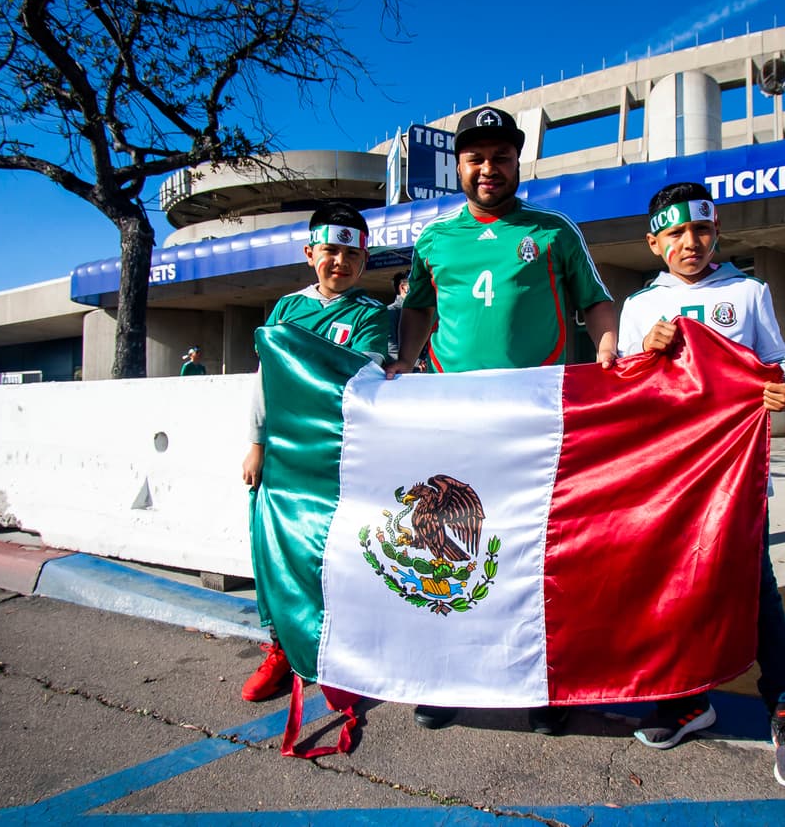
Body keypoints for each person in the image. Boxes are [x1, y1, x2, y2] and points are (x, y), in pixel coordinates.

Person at [385, 105, 619, 735]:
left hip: (536, 418)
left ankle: (538, 682)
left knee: (533, 552)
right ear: (459, 166)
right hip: (454, 417)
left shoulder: (553, 231)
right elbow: (417, 310)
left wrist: (604, 349)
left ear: (518, 162)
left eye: (501, 157)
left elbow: (595, 303)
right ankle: (446, 676)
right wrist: (404, 361)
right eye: (476, 158)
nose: (489, 168)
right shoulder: (434, 241)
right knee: (452, 546)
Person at [617, 181, 785, 791]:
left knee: (756, 590)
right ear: (654, 242)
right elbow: (626, 391)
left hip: (735, 479)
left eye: (701, 231)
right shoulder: (638, 308)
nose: (690, 243)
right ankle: (687, 700)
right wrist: (645, 357)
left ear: (716, 233)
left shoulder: (748, 292)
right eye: (676, 233)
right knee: (675, 592)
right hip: (667, 482)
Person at [239, 200, 391, 702]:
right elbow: (267, 381)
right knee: (275, 553)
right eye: (330, 251)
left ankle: (335, 655)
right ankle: (281, 649)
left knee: (335, 556)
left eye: (351, 255)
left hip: (335, 459)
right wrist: (257, 443)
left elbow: (358, 381)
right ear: (310, 253)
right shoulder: (286, 310)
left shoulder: (372, 316)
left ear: (364, 261)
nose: (339, 264)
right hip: (283, 457)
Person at [386, 271, 409, 362]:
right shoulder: (390, 311)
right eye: (415, 284)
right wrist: (417, 362)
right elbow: (390, 348)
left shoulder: (420, 312)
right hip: (402, 373)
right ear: (403, 288)